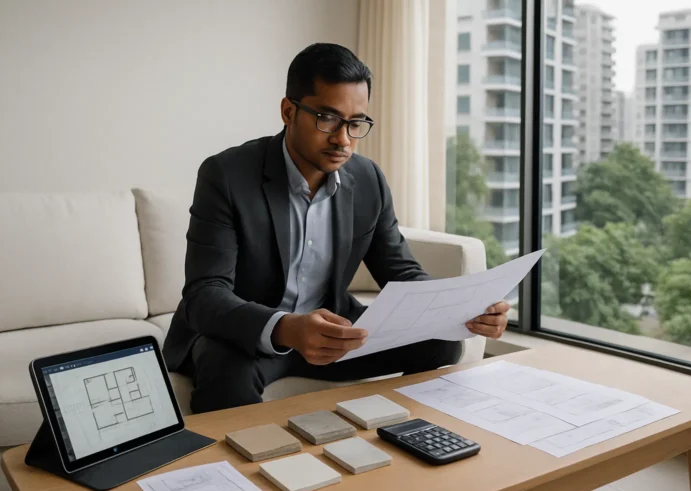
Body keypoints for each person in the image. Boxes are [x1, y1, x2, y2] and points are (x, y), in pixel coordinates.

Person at [163, 43, 510, 414]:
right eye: (327, 119)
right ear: (288, 111)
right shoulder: (227, 175)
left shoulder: (367, 178)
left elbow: (400, 270)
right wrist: (287, 327)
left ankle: (405, 441)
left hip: (335, 330)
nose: (343, 139)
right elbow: (205, 294)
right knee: (225, 376)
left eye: (356, 123)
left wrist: (460, 306)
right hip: (251, 335)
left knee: (440, 343)